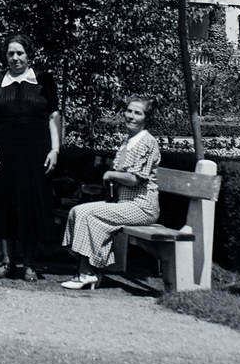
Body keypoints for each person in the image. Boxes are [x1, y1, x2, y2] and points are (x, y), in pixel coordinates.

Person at [0, 33, 62, 280]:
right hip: (4, 150)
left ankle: (29, 264)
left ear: (29, 55)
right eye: (10, 53)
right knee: (6, 204)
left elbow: (54, 118)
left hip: (36, 150)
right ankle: (7, 263)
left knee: (30, 205)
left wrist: (55, 150)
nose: (15, 58)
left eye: (20, 53)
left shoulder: (44, 80)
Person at [60, 95, 163, 289]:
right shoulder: (128, 141)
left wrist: (111, 174)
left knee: (89, 214)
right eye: (129, 111)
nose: (131, 116)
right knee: (78, 211)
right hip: (124, 204)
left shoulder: (147, 142)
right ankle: (88, 272)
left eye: (137, 113)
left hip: (142, 206)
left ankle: (87, 272)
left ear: (146, 118)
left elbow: (135, 179)